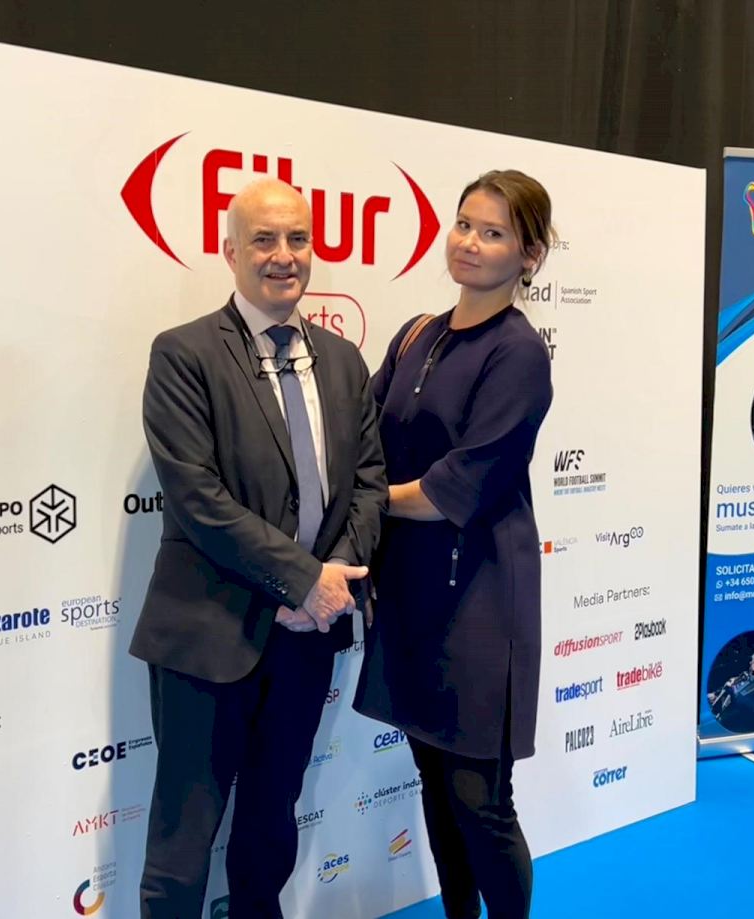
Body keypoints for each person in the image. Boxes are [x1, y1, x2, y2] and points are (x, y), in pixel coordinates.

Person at [130, 177, 387, 918]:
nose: (284, 256)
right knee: (183, 845)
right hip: (209, 633)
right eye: (264, 240)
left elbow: (369, 485)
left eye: (298, 238)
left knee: (272, 822)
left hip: (306, 639)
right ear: (230, 251)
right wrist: (302, 581)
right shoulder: (183, 354)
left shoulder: (343, 361)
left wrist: (328, 586)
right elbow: (197, 497)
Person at [355, 170, 554, 919]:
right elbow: (364, 437)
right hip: (411, 593)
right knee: (435, 786)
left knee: (480, 798)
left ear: (529, 255)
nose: (470, 242)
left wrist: (367, 500)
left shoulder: (519, 353)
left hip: (480, 599)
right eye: (464, 224)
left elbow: (453, 488)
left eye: (493, 232)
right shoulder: (418, 333)